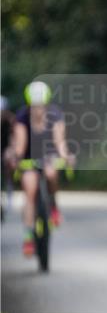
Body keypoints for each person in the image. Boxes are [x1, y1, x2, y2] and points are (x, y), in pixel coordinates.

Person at [11, 81, 74, 256]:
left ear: (46, 103)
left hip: (49, 155)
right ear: (29, 104)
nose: (38, 109)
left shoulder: (55, 114)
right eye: (34, 106)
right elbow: (20, 144)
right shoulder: (22, 116)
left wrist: (65, 156)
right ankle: (28, 236)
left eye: (41, 105)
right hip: (29, 158)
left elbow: (59, 141)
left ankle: (53, 205)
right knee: (30, 189)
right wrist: (16, 157)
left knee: (51, 172)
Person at [0, 96, 15, 220]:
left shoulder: (10, 121)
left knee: (8, 165)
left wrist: (10, 150)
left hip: (6, 147)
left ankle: (9, 189)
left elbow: (14, 138)